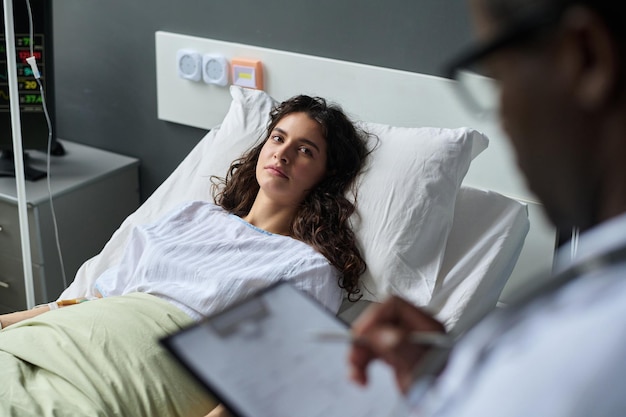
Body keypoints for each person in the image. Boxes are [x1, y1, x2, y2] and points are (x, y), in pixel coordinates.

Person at [0, 94, 371, 417]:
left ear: (327, 174)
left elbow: (273, 375)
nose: (283, 154)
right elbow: (98, 298)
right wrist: (10, 320)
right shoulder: (193, 214)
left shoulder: (309, 266)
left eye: (305, 150)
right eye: (277, 138)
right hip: (62, 339)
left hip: (134, 380)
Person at [349, 0, 626, 415]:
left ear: (586, 57)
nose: (503, 118)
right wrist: (442, 374)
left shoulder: (585, 363)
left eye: (498, 77)